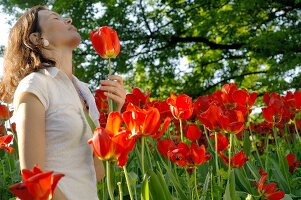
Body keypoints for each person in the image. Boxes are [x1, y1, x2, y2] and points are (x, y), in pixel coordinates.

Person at [0, 5, 126, 200]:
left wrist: (115, 114)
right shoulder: (35, 85)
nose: (68, 20)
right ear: (37, 38)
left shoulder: (84, 91)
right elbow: (34, 176)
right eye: (54, 18)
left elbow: (97, 173)